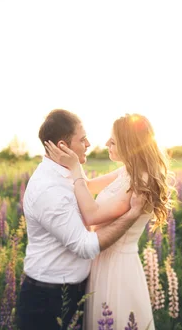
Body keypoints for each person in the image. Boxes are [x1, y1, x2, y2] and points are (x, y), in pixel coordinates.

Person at [16, 109, 145, 330]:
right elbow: (85, 245)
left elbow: (86, 186)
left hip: (82, 286)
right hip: (50, 296)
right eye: (82, 139)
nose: (90, 144)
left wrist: (76, 168)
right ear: (62, 146)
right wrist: (132, 215)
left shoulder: (68, 173)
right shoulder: (49, 188)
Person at [45, 113, 174, 330]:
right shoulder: (128, 171)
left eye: (113, 141)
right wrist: (66, 160)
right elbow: (87, 185)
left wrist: (75, 167)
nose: (106, 144)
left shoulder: (140, 182)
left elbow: (92, 214)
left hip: (118, 268)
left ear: (128, 144)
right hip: (103, 260)